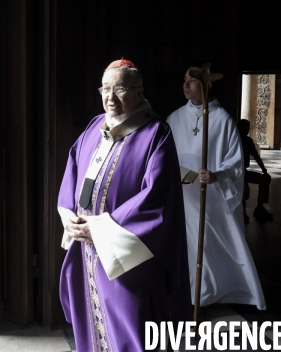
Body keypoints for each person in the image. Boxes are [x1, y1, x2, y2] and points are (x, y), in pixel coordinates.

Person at [58, 59, 191, 351]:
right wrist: (69, 216)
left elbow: (157, 199)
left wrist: (101, 230)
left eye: (120, 89)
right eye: (105, 89)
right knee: (91, 325)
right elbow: (73, 173)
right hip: (86, 248)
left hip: (126, 255)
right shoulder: (95, 126)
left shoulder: (156, 134)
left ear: (139, 92)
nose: (110, 97)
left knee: (130, 324)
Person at [166, 62, 266, 311]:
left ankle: (214, 290)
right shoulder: (174, 118)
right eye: (184, 79)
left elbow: (235, 163)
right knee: (187, 247)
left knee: (210, 248)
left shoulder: (222, 120)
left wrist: (217, 175)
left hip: (211, 198)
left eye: (193, 80)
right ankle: (192, 294)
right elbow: (163, 156)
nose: (186, 84)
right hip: (182, 197)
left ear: (207, 85)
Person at [237, 119, 274, 222]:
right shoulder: (233, 140)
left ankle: (260, 207)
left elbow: (256, 156)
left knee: (264, 179)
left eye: (247, 128)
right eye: (244, 128)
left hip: (244, 171)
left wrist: (264, 171)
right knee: (244, 188)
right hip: (235, 172)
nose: (247, 130)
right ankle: (241, 210)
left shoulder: (248, 141)